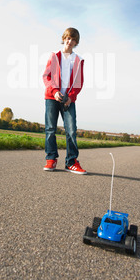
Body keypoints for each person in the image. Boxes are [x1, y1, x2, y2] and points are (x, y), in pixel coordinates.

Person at [42, 27, 87, 174]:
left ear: (76, 42)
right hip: (52, 97)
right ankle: (51, 159)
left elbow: (79, 82)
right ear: (64, 39)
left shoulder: (79, 60)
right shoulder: (54, 55)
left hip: (68, 100)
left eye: (73, 39)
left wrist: (71, 98)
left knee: (71, 130)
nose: (70, 41)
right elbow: (46, 76)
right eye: (68, 38)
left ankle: (71, 162)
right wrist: (54, 92)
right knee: (50, 129)